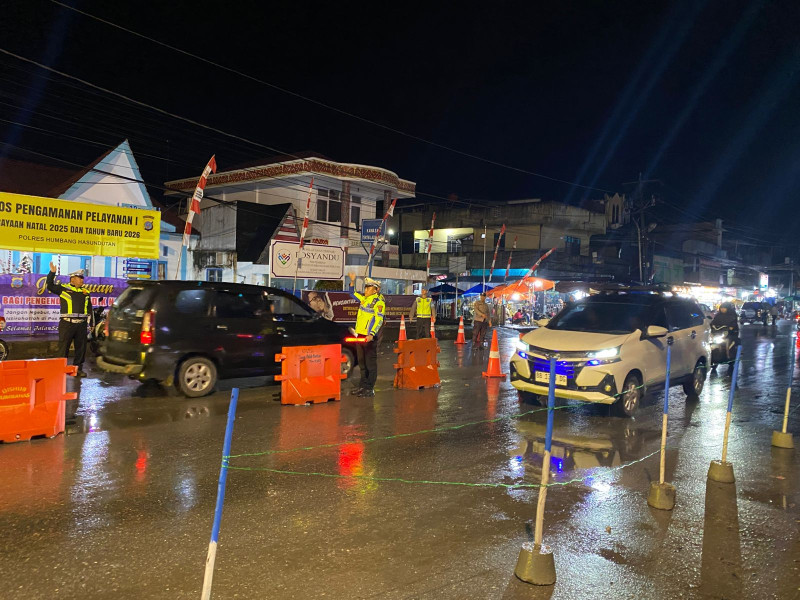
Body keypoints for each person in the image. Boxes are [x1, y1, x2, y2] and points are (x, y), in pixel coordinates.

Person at [47, 263, 92, 377]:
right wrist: (52, 273)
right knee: (63, 348)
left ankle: (78, 369)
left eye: (82, 278)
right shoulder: (63, 289)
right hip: (67, 324)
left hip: (81, 325)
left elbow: (89, 308)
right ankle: (60, 370)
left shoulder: (85, 292)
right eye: (80, 278)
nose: (82, 280)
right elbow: (50, 286)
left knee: (81, 349)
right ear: (73, 279)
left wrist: (91, 323)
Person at [348, 273, 385, 397]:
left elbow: (379, 320)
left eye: (369, 288)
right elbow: (351, 294)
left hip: (369, 338)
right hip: (359, 336)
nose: (366, 290)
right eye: (365, 287)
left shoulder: (379, 303)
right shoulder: (364, 299)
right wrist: (352, 281)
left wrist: (372, 334)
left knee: (370, 364)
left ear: (376, 290)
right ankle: (362, 386)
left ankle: (369, 388)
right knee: (362, 363)